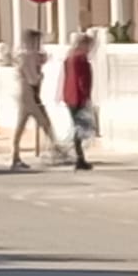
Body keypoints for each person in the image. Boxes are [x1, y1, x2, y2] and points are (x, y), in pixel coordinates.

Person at [10, 30, 50, 171]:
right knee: (44, 122)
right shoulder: (27, 56)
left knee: (20, 127)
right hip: (28, 94)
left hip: (24, 94)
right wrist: (41, 74)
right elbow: (33, 78)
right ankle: (56, 151)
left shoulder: (24, 55)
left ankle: (15, 156)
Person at [61, 32, 94, 172]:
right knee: (80, 128)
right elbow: (82, 80)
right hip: (78, 96)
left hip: (69, 96)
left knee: (78, 126)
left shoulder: (69, 58)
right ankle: (79, 158)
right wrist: (86, 95)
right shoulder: (80, 59)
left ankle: (79, 157)